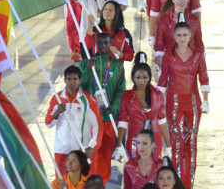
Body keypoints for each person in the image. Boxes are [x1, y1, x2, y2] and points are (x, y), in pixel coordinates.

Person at [156, 23, 210, 189]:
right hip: (174, 105)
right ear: (174, 36)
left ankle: (189, 184)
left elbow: (204, 78)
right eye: (178, 35)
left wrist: (206, 99)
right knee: (177, 145)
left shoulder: (198, 55)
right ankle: (177, 184)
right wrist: (158, 104)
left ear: (190, 36)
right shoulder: (168, 56)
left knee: (191, 145)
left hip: (194, 104)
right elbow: (163, 81)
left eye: (184, 35)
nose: (181, 39)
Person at [79, 30, 126, 181]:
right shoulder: (88, 63)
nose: (103, 45)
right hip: (91, 118)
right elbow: (81, 87)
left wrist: (114, 107)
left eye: (107, 42)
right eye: (100, 43)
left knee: (106, 153)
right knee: (92, 153)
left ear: (111, 44)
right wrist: (86, 68)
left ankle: (103, 182)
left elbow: (121, 90)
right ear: (96, 44)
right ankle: (91, 182)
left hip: (109, 117)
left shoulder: (117, 65)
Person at [46, 66, 101, 182]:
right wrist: (57, 112)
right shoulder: (56, 99)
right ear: (64, 80)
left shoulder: (88, 100)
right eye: (69, 79)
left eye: (75, 79)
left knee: (80, 184)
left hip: (80, 150)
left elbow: (97, 127)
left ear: (80, 80)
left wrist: (91, 146)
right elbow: (48, 123)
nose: (72, 82)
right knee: (62, 183)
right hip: (61, 150)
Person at [117, 53, 172, 162]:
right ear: (133, 78)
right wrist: (119, 145)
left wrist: (168, 146)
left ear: (149, 78)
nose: (141, 81)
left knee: (152, 174)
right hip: (134, 141)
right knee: (136, 174)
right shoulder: (126, 96)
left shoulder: (158, 95)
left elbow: (162, 121)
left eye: (145, 78)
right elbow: (123, 122)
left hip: (154, 141)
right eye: (138, 78)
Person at [153, 0, 204, 71]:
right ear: (173, 0)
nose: (181, 1)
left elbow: (199, 46)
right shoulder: (163, 20)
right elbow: (159, 47)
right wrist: (163, 70)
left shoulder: (194, 21)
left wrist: (201, 69)